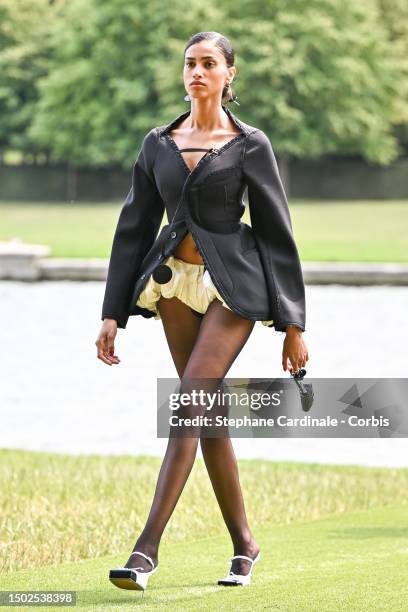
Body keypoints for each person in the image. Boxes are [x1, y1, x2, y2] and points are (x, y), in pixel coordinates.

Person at [95, 31, 309, 594]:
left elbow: (277, 234)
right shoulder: (157, 143)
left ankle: (146, 550)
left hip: (233, 287)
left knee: (189, 400)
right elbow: (133, 227)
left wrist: (293, 325)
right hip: (172, 287)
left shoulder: (251, 144)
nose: (197, 72)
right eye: (190, 63)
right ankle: (245, 545)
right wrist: (111, 312)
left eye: (208, 63)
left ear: (229, 74)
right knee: (206, 411)